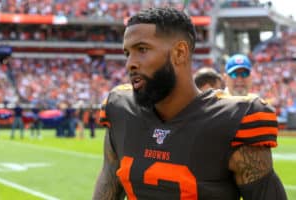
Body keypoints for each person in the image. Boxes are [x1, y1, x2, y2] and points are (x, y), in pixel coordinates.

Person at [93, 7, 286, 200]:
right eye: (127, 53)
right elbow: (107, 187)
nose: (130, 64)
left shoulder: (233, 120)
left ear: (180, 53)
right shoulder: (120, 108)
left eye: (142, 49)